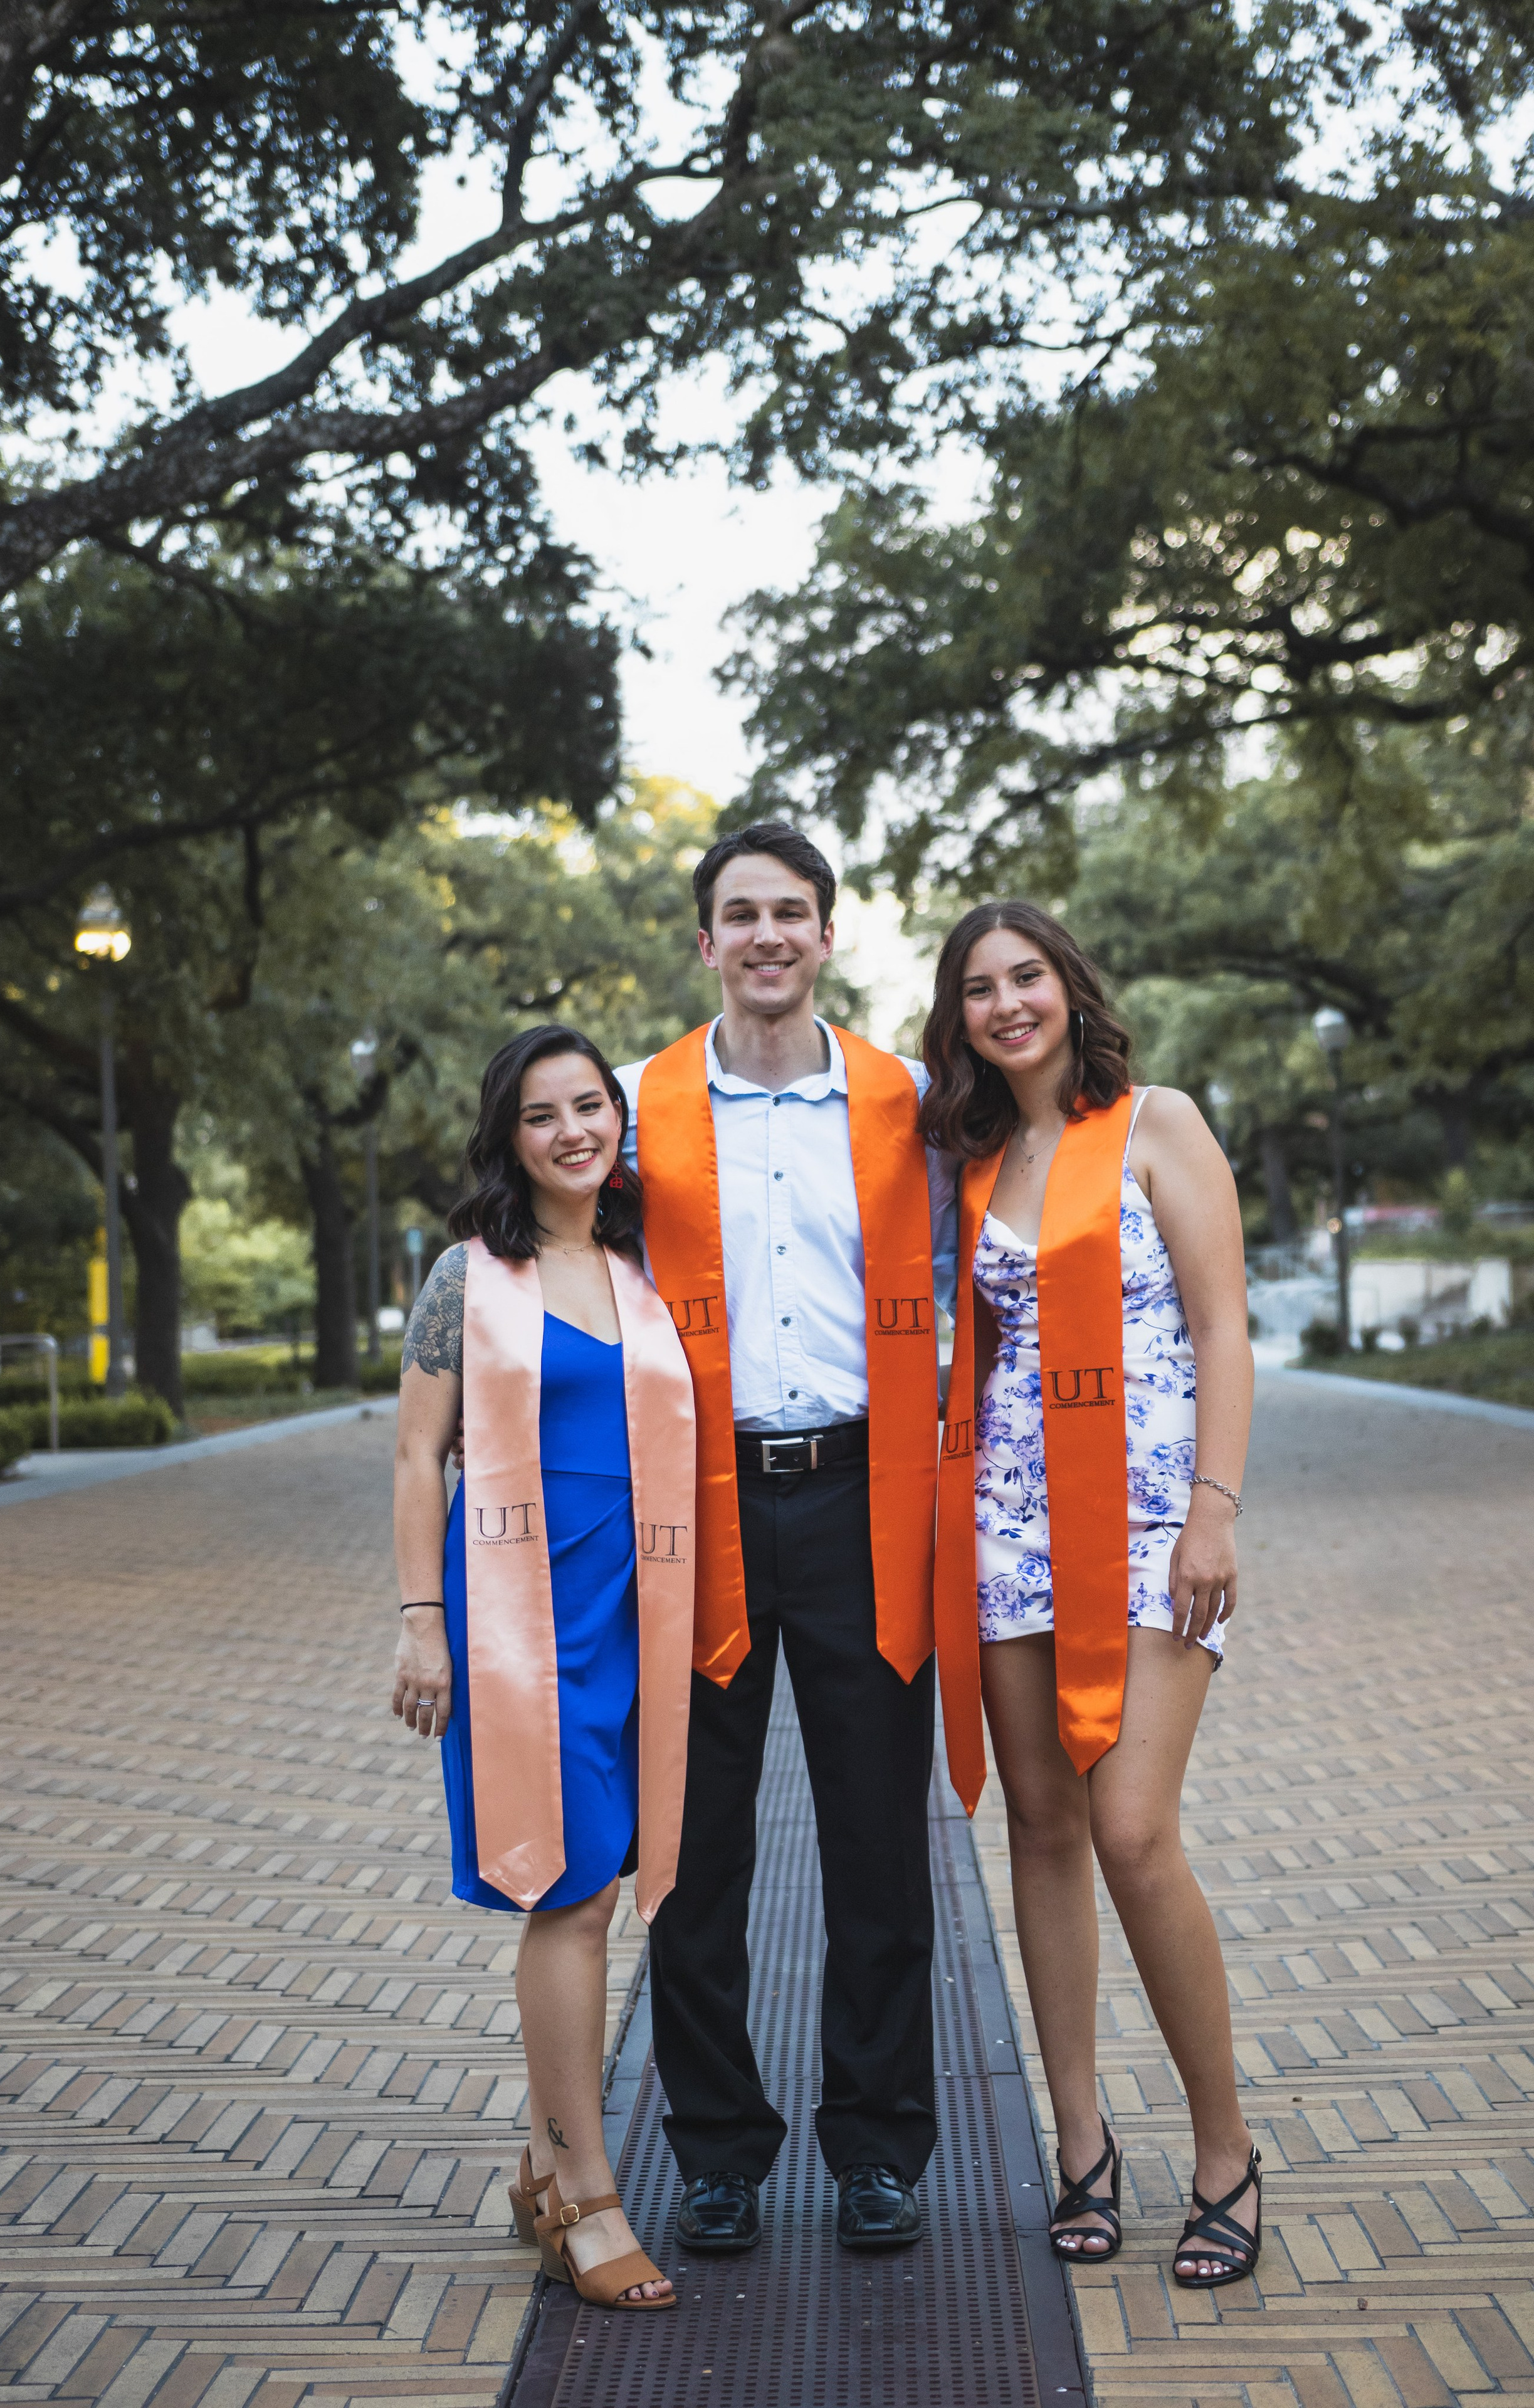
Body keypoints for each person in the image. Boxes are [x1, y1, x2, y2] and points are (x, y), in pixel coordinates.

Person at [616, 823, 956, 2256]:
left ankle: (874, 2147)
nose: (765, 935)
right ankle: (717, 2151)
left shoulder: (911, 1099)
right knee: (694, 1849)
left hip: (866, 1497)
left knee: (877, 1839)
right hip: (695, 1503)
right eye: (738, 913)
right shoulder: (635, 1107)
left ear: (827, 936)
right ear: (703, 941)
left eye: (791, 913)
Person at [927, 900, 1261, 2290]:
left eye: (1026, 976)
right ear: (957, 1021)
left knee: (1132, 1827)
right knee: (1046, 1830)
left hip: (1145, 1519)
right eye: (978, 990)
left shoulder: (1156, 1123)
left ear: (1069, 983)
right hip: (1006, 1522)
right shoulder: (972, 1154)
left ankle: (1225, 2151)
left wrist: (1213, 1511)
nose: (1007, 1003)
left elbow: (1217, 1320)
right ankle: (1078, 2145)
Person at [391, 1024, 696, 2312]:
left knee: (607, 1879)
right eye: (541, 1114)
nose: (573, 1130)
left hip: (640, 1614)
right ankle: (586, 2192)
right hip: (519, 1620)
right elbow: (418, 1457)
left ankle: (539, 2160)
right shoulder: (470, 1276)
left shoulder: (638, 1269)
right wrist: (421, 1621)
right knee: (564, 1894)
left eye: (590, 1106)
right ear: (506, 1137)